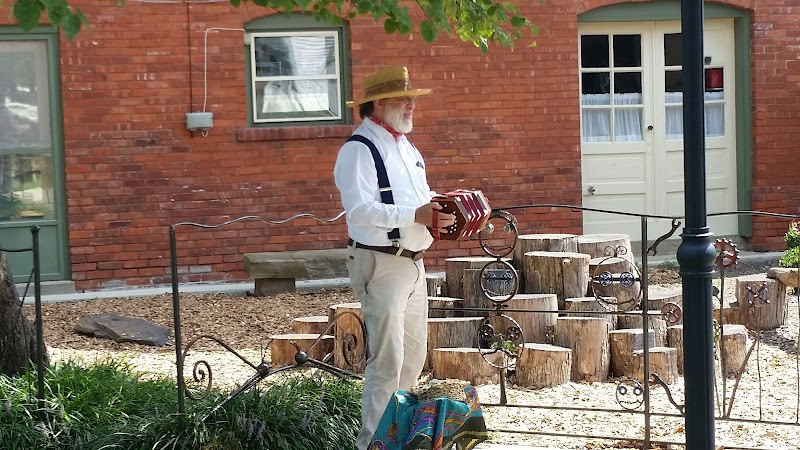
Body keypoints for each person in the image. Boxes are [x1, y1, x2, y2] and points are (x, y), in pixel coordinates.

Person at [333, 66, 456, 450]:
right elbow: (359, 211)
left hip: (413, 264)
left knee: (413, 358)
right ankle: (371, 444)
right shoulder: (358, 148)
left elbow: (417, 200)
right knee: (387, 362)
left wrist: (445, 210)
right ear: (378, 104)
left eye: (413, 98)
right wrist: (415, 215)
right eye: (404, 98)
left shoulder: (407, 147)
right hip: (381, 261)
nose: (411, 105)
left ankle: (397, 438)